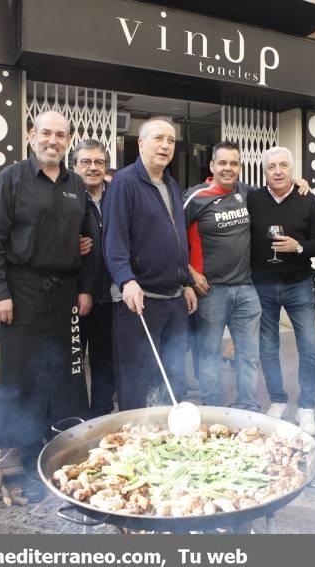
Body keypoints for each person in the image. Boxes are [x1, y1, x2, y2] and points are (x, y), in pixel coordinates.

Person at [0, 111, 93, 500]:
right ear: (32, 136)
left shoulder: (75, 184)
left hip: (64, 292)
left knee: (62, 372)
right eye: (46, 133)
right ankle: (27, 458)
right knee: (24, 375)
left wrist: (83, 286)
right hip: (21, 288)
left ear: (68, 141)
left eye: (60, 135)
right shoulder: (11, 179)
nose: (52, 140)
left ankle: (57, 447)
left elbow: (85, 239)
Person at [103, 117, 197, 411]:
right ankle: (134, 435)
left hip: (173, 299)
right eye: (158, 138)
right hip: (140, 299)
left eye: (170, 140)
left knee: (172, 373)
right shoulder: (125, 182)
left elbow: (178, 238)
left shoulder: (171, 183)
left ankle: (167, 431)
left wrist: (186, 282)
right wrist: (126, 280)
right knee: (137, 376)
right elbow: (114, 239)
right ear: (141, 143)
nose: (166, 145)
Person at [247, 146, 315, 435]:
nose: (277, 171)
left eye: (283, 165)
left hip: (299, 284)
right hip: (262, 285)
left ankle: (306, 407)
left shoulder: (309, 200)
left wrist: (299, 246)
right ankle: (278, 400)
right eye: (272, 166)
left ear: (292, 170)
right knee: (267, 348)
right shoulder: (251, 197)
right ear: (264, 170)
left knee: (310, 348)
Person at [183, 141, 262, 412]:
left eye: (234, 163)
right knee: (209, 354)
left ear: (240, 167)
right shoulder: (195, 197)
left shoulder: (248, 193)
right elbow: (172, 238)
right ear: (212, 165)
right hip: (210, 290)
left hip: (246, 289)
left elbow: (278, 195)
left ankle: (248, 405)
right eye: (223, 163)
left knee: (249, 354)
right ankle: (213, 408)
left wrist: (299, 183)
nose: (229, 168)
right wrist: (190, 274)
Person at [72, 140, 116, 417]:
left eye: (99, 162)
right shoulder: (64, 197)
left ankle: (100, 416)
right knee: (73, 362)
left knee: (105, 361)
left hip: (111, 296)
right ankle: (76, 420)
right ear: (74, 166)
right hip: (74, 296)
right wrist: (65, 243)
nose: (93, 167)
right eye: (86, 162)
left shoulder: (117, 196)